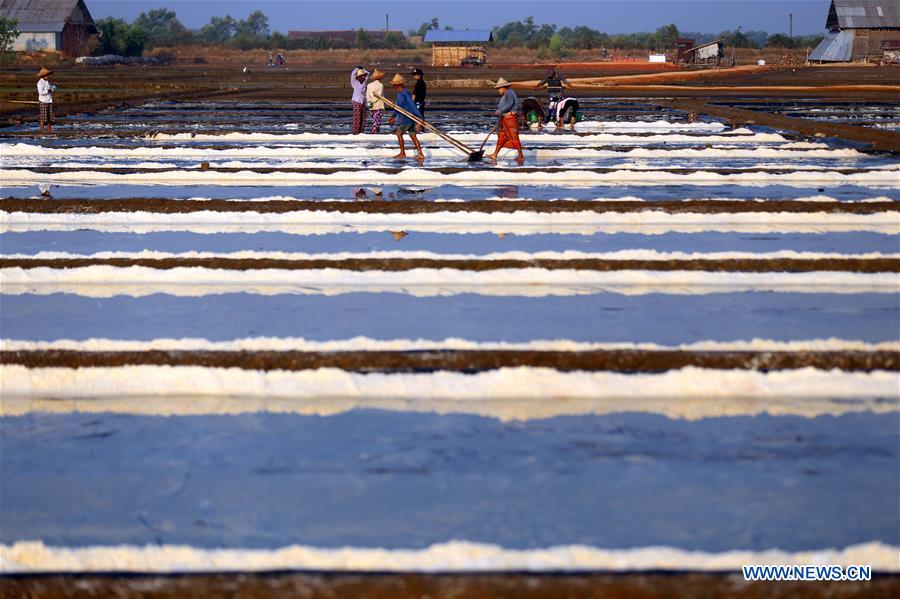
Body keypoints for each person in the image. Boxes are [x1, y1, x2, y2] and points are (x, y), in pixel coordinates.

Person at [387, 74, 424, 163]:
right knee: (413, 135)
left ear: (399, 85)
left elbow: (412, 105)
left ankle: (402, 153)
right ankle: (420, 153)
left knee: (398, 133)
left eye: (395, 85)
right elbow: (398, 107)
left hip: (407, 118)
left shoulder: (405, 93)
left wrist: (420, 118)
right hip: (404, 117)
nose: (394, 86)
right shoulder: (399, 93)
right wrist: (393, 116)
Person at [489, 77, 524, 164]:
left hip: (510, 118)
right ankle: (495, 154)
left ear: (503, 87)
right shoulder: (508, 93)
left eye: (499, 89)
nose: (499, 91)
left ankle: (521, 156)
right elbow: (514, 104)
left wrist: (500, 111)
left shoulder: (509, 93)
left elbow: (510, 104)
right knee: (502, 135)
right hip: (505, 117)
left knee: (513, 136)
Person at [36, 67, 57, 135]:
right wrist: (48, 90)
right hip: (43, 101)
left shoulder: (47, 82)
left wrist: (53, 87)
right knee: (43, 117)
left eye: (47, 75)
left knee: (49, 117)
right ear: (42, 76)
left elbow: (52, 88)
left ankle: (49, 131)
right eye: (46, 75)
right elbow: (41, 92)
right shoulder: (40, 83)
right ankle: (42, 131)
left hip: (49, 101)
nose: (47, 76)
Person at [350, 67, 369, 135]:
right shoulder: (355, 83)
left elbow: (368, 74)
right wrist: (357, 68)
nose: (363, 77)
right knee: (357, 118)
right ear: (358, 77)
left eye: (363, 76)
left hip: (363, 102)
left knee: (363, 118)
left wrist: (363, 69)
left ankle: (361, 132)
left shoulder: (364, 82)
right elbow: (352, 75)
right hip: (357, 102)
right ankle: (355, 132)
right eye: (361, 76)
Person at [366, 69, 386, 134]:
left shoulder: (369, 85)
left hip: (371, 104)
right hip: (378, 105)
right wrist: (374, 101)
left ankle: (376, 132)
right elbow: (379, 95)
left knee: (374, 119)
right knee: (377, 120)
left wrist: (370, 102)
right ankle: (374, 131)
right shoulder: (381, 85)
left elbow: (367, 95)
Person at [410, 68, 427, 133]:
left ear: (419, 75)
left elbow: (414, 95)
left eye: (416, 75)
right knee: (421, 116)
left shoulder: (419, 84)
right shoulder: (423, 83)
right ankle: (422, 130)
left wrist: (411, 104)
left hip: (418, 103)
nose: (415, 76)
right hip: (421, 102)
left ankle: (418, 130)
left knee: (418, 117)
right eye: (414, 75)